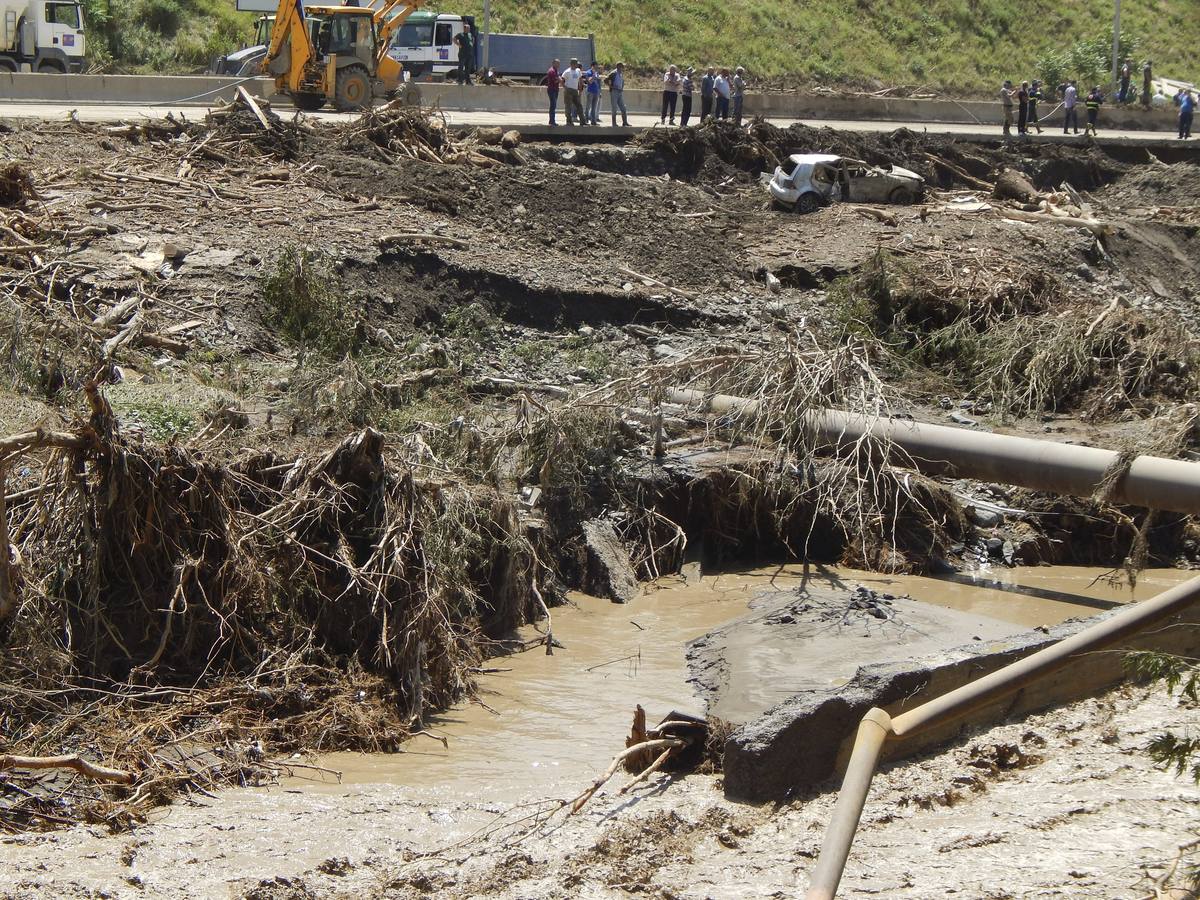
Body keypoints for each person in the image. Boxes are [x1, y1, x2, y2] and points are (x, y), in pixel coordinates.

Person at [561, 58, 585, 126]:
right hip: (568, 90)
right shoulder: (567, 71)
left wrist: (580, 90)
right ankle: (569, 121)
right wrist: (565, 88)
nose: (576, 65)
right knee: (568, 106)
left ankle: (582, 121)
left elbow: (580, 80)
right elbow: (562, 81)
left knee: (579, 106)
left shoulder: (578, 71)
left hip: (575, 90)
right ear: (572, 64)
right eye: (575, 64)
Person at [607, 61, 630, 127]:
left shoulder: (621, 73)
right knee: (614, 108)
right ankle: (614, 123)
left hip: (619, 92)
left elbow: (622, 81)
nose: (623, 68)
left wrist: (622, 87)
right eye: (622, 66)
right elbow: (606, 80)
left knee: (623, 108)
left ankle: (625, 122)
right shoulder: (613, 73)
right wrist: (612, 86)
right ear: (619, 67)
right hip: (614, 92)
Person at [545, 59, 561, 126]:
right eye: (557, 63)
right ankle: (552, 121)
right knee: (553, 105)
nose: (558, 65)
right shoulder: (551, 71)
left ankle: (552, 121)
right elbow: (555, 81)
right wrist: (561, 80)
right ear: (553, 63)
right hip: (552, 90)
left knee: (553, 106)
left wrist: (559, 79)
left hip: (555, 89)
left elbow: (557, 78)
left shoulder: (556, 70)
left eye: (559, 63)